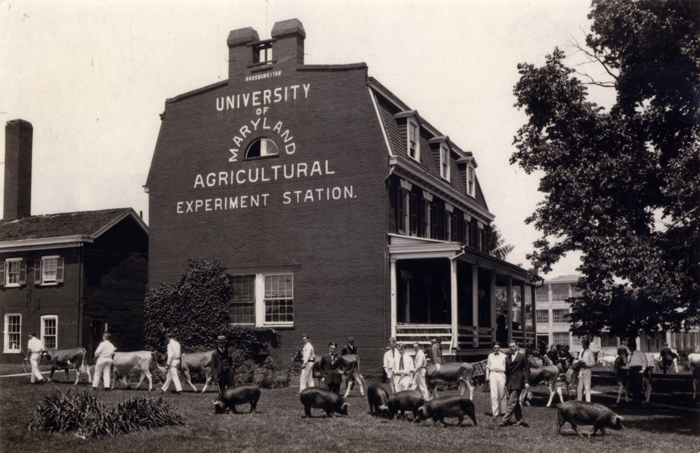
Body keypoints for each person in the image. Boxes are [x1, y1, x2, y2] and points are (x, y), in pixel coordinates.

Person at [499, 341, 530, 427]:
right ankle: (520, 420)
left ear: (516, 346)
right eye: (510, 347)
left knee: (511, 401)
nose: (512, 348)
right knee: (515, 403)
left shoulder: (522, 356)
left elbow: (527, 369)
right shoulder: (507, 358)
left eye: (513, 346)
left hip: (519, 381)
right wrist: (506, 384)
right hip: (510, 382)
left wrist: (526, 381)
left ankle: (504, 420)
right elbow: (507, 373)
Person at [486, 343, 507, 417]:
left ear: (500, 348)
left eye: (497, 347)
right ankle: (495, 412)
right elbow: (488, 366)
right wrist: (487, 376)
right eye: (495, 347)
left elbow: (506, 367)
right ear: (493, 348)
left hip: (501, 374)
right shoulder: (490, 356)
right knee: (493, 394)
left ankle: (504, 411)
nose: (496, 349)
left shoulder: (504, 356)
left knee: (502, 393)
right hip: (493, 374)